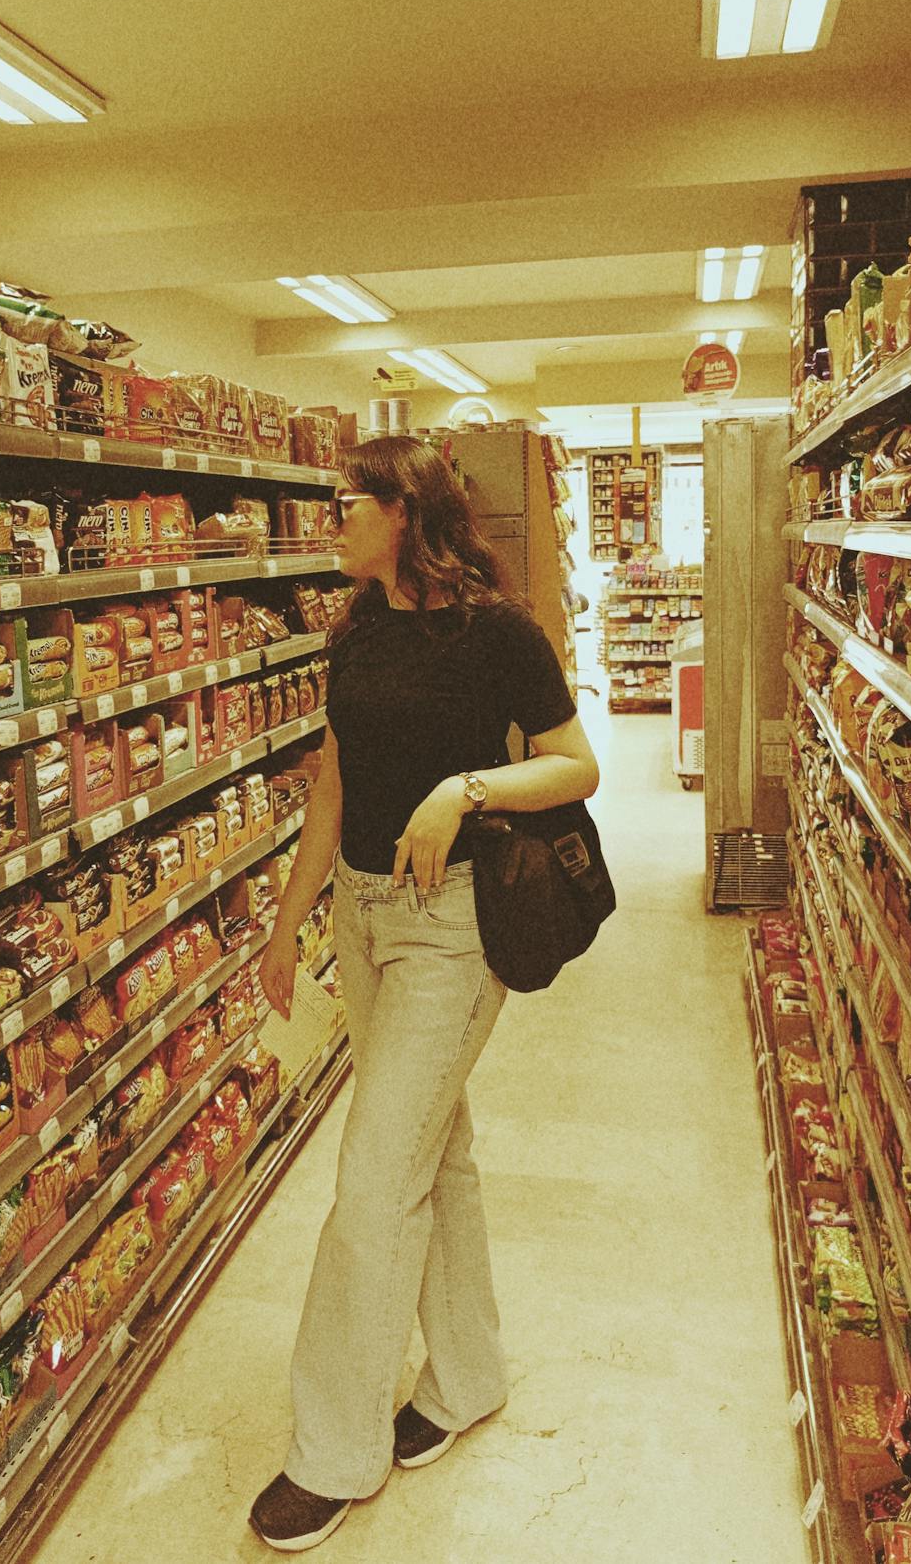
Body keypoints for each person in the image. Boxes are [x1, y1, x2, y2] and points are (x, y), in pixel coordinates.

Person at [249, 435, 601, 1552]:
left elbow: (573, 762)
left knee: (367, 1179)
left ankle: (333, 1451)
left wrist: (465, 787)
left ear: (405, 511)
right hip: (360, 914)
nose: (330, 516)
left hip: (451, 923)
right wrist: (288, 916)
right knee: (427, 1154)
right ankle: (463, 1379)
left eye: (347, 500)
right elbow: (334, 776)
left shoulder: (493, 631)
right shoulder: (352, 629)